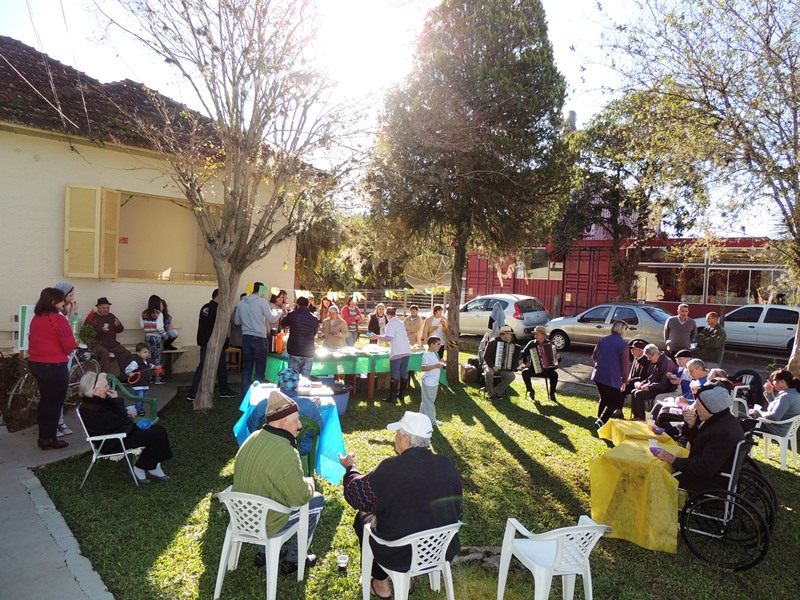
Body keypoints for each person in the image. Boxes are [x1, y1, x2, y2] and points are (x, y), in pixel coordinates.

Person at [339, 411, 462, 600]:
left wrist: (350, 467)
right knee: (411, 516)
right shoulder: (446, 464)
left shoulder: (390, 468)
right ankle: (408, 578)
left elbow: (357, 496)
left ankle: (381, 583)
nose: (394, 438)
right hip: (440, 548)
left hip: (400, 554)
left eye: (397, 433)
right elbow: (457, 510)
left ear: (405, 439)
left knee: (363, 517)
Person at [233, 390, 325, 573]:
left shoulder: (252, 438)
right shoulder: (286, 451)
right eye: (296, 421)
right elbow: (300, 497)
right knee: (316, 500)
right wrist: (310, 482)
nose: (299, 426)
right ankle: (295, 559)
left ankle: (266, 551)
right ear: (283, 423)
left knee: (266, 491)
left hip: (240, 515)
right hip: (265, 521)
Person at [78, 372, 173, 484]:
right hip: (112, 441)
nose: (108, 388)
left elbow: (115, 418)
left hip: (121, 432)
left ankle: (153, 467)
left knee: (159, 429)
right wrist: (116, 401)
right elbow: (116, 421)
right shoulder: (91, 408)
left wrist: (125, 412)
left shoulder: (98, 400)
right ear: (93, 390)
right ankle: (139, 468)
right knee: (156, 435)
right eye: (105, 386)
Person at [654, 382, 744, 492]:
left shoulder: (722, 432)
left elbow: (704, 468)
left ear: (710, 407)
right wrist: (691, 427)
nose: (695, 408)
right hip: (713, 473)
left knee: (658, 476)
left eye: (698, 404)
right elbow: (701, 444)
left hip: (711, 481)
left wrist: (672, 459)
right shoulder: (721, 421)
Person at [28, 287, 75, 450]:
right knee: (55, 404)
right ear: (54, 302)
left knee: (45, 402)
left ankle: (43, 437)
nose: (64, 303)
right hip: (54, 366)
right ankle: (51, 438)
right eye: (62, 300)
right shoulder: (58, 319)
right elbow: (69, 345)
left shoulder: (37, 317)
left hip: (36, 364)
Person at [246, 368, 324, 457]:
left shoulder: (264, 404)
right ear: (297, 386)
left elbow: (251, 425)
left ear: (279, 384)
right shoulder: (310, 405)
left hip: (269, 448)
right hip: (301, 448)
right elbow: (318, 428)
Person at [187, 289, 237, 402]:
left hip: (205, 341)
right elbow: (221, 329)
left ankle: (223, 390)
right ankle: (194, 392)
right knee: (205, 366)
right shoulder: (219, 309)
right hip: (214, 343)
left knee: (216, 367)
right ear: (218, 296)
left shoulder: (205, 307)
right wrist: (225, 343)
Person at [235, 282, 282, 398]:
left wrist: (248, 321)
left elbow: (236, 321)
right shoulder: (262, 302)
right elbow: (271, 318)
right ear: (261, 291)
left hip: (246, 337)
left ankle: (244, 396)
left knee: (247, 367)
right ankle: (259, 396)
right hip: (259, 338)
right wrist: (280, 312)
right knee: (260, 369)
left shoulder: (241, 303)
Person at [590, 320, 630, 429]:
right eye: (626, 329)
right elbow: (625, 365)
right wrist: (624, 381)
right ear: (621, 330)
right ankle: (601, 421)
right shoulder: (623, 345)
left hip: (598, 374)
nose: (626, 332)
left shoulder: (603, 340)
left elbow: (594, 356)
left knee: (604, 398)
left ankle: (599, 419)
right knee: (614, 401)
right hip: (612, 377)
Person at [369, 306, 413, 403]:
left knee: (394, 374)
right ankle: (401, 394)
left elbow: (389, 338)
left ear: (388, 315)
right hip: (406, 350)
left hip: (397, 351)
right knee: (404, 372)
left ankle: (392, 397)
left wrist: (377, 336)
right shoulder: (400, 322)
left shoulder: (390, 324)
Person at [53, 280, 79, 436]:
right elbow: (64, 329)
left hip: (64, 355)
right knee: (55, 391)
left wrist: (72, 311)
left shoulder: (61, 312)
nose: (72, 297)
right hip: (56, 357)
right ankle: (53, 425)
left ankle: (60, 422)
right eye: (70, 294)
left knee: (61, 390)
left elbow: (67, 326)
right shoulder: (52, 313)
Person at [741, 369, 800, 436]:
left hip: (776, 430)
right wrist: (769, 394)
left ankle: (741, 446)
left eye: (774, 381)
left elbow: (774, 417)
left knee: (743, 423)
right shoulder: (795, 394)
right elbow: (778, 408)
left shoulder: (786, 396)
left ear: (782, 381)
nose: (773, 384)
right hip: (785, 430)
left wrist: (758, 413)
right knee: (744, 420)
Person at [85, 297, 133, 374]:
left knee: (126, 353)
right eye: (104, 308)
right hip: (98, 345)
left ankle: (125, 376)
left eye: (108, 308)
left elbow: (120, 330)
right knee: (105, 354)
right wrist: (101, 330)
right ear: (98, 308)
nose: (106, 310)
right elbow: (87, 334)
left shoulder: (111, 316)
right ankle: (105, 377)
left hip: (113, 345)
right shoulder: (93, 317)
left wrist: (118, 325)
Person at [630, 344, 678, 420]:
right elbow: (650, 378)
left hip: (664, 389)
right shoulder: (655, 361)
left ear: (655, 354)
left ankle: (641, 418)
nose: (648, 359)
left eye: (649, 357)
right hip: (656, 386)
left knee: (639, 394)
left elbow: (664, 385)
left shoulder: (667, 363)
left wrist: (649, 387)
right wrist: (642, 384)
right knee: (633, 391)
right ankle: (636, 416)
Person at [281, 296, 320, 377]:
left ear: (297, 305)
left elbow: (283, 323)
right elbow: (314, 333)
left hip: (294, 350)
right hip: (308, 352)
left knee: (293, 379)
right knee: (305, 381)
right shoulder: (314, 318)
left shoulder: (292, 315)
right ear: (308, 305)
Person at [520, 326, 561, 402]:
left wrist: (558, 357)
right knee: (525, 372)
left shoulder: (551, 344)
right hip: (534, 369)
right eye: (535, 334)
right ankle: (531, 391)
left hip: (547, 370)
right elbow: (523, 354)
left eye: (537, 334)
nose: (535, 336)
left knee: (554, 375)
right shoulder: (532, 344)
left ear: (543, 335)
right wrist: (526, 362)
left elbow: (557, 360)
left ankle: (552, 393)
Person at [482, 325, 520, 400]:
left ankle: (496, 392)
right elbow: (486, 356)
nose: (510, 336)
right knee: (489, 373)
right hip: (489, 365)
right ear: (504, 334)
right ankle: (490, 394)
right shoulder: (493, 341)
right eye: (509, 334)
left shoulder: (509, 345)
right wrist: (493, 366)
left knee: (511, 376)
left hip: (501, 368)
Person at [140, 294, 167, 384]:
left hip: (147, 337)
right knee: (157, 358)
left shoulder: (144, 313)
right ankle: (157, 378)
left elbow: (141, 325)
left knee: (148, 357)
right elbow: (160, 327)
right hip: (157, 338)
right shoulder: (159, 314)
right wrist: (165, 335)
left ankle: (149, 378)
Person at [124, 342, 157, 416]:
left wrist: (155, 367)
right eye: (144, 352)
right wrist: (129, 373)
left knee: (143, 398)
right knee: (139, 399)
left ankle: (139, 408)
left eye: (148, 352)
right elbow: (127, 369)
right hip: (138, 385)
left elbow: (150, 366)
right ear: (138, 353)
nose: (147, 354)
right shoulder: (135, 362)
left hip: (145, 384)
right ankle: (138, 411)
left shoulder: (146, 361)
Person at [420, 336, 446, 426]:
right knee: (429, 402)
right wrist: (436, 366)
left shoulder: (434, 353)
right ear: (432, 344)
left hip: (432, 381)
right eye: (438, 344)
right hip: (429, 382)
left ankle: (422, 416)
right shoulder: (427, 355)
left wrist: (440, 362)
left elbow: (434, 364)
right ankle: (432, 420)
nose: (440, 346)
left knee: (426, 401)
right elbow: (423, 368)